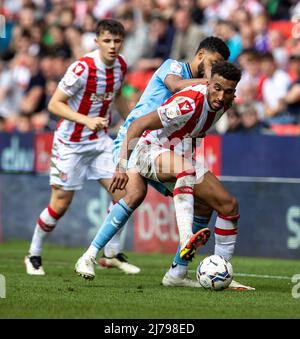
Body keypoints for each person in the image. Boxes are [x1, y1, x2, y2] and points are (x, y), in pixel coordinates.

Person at [75, 61, 255, 290]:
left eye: (227, 91)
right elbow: (137, 126)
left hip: (175, 157)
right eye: (216, 88)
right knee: (178, 175)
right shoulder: (187, 102)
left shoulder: (223, 106)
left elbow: (191, 136)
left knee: (227, 205)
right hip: (146, 150)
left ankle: (197, 272)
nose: (220, 95)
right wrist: (121, 166)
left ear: (234, 93)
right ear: (208, 83)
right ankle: (184, 238)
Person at [24, 19, 140, 276]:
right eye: (107, 41)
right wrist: (86, 120)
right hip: (71, 144)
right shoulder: (82, 68)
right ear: (96, 42)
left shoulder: (121, 66)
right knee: (60, 204)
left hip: (99, 143)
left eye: (117, 41)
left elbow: (118, 96)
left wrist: (132, 122)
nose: (112, 46)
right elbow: (54, 104)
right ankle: (33, 254)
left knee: (126, 193)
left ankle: (110, 254)